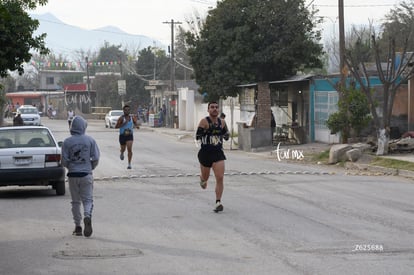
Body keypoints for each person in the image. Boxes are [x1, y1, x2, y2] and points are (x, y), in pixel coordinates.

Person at [61, 116, 100, 237]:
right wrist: (90, 167)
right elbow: (96, 158)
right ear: (83, 127)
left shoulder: (67, 142)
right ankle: (87, 216)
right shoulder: (90, 140)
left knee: (75, 202)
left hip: (72, 175)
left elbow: (64, 160)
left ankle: (78, 226)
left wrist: (71, 167)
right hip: (86, 174)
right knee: (87, 200)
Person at [196, 101, 230, 213]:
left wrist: (224, 135)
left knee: (220, 177)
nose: (215, 109)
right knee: (205, 181)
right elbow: (197, 136)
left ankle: (218, 202)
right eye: (212, 107)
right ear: (208, 109)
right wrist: (207, 131)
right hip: (205, 153)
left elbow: (227, 136)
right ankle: (202, 178)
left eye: (216, 107)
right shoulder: (204, 121)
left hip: (217, 153)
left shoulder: (223, 122)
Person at [115, 105, 140, 169]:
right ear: (123, 111)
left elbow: (135, 123)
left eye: (128, 110)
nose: (127, 111)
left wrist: (137, 126)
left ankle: (129, 164)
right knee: (123, 149)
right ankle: (122, 152)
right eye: (125, 110)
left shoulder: (132, 118)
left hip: (129, 135)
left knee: (129, 149)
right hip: (122, 136)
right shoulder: (121, 118)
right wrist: (123, 124)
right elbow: (116, 126)